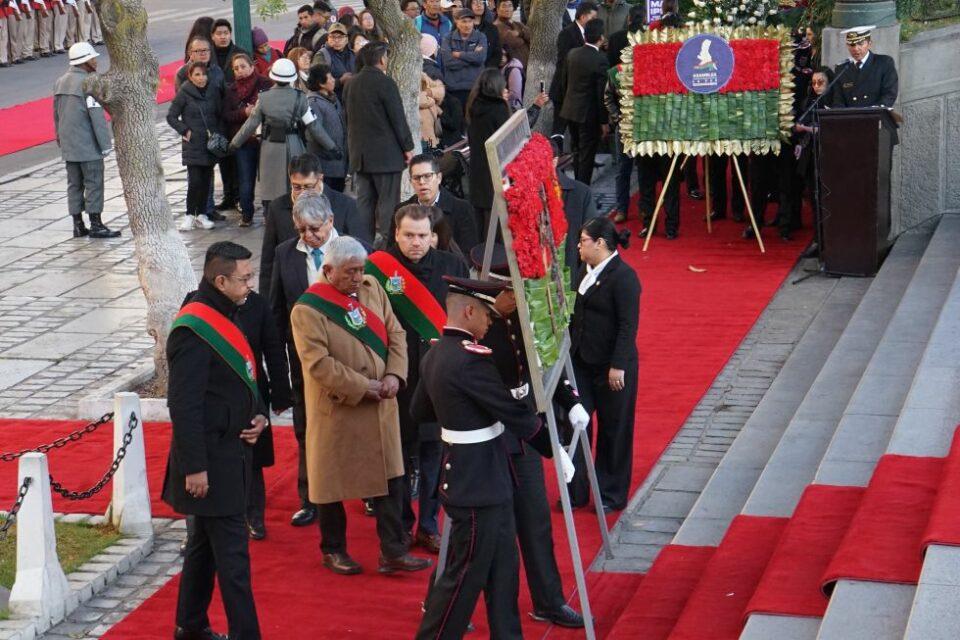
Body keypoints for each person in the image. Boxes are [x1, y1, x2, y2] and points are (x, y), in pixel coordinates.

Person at [411, 276, 573, 639]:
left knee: (503, 570)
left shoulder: (436, 352)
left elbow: (419, 409)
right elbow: (513, 413)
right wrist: (554, 449)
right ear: (468, 311)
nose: (489, 322)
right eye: (485, 314)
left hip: (483, 476)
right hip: (478, 480)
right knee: (462, 578)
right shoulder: (470, 361)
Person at [291, 236, 433, 576]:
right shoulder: (308, 309)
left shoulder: (372, 287)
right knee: (331, 484)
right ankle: (333, 549)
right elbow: (319, 365)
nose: (357, 277)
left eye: (360, 270)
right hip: (339, 409)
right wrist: (364, 386)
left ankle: (393, 550)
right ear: (328, 270)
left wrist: (396, 376)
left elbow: (396, 334)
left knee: (390, 480)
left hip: (382, 404)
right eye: (350, 272)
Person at [468, 244, 587, 628]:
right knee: (483, 533)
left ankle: (548, 598)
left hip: (524, 432)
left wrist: (569, 400)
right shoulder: (477, 327)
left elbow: (542, 365)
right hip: (489, 438)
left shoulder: (525, 319)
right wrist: (547, 443)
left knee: (535, 520)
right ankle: (454, 602)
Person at [163, 241, 267, 640]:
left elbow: (242, 376)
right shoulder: (194, 329)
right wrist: (195, 468)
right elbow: (183, 405)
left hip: (232, 452)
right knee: (234, 562)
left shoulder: (229, 311)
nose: (250, 285)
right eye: (244, 279)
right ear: (220, 280)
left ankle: (189, 626)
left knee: (203, 552)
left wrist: (258, 414)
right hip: (210, 463)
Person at [368, 204, 468, 552]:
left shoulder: (452, 266)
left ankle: (428, 524)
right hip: (396, 380)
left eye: (423, 236)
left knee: (433, 458)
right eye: (409, 235)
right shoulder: (378, 270)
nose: (416, 242)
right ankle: (399, 526)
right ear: (395, 234)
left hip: (437, 380)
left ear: (433, 235)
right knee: (396, 459)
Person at [269, 192, 340, 530]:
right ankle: (309, 497)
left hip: (349, 358)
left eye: (314, 229)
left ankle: (368, 492)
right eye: (301, 230)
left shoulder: (354, 251)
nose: (308, 237)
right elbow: (276, 312)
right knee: (306, 427)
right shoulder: (285, 254)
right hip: (303, 360)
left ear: (330, 221)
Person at [568, 217, 640, 512]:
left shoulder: (624, 277)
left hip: (612, 366)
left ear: (600, 243)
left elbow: (627, 325)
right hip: (582, 361)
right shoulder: (582, 272)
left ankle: (611, 494)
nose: (578, 245)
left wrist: (618, 365)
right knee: (576, 424)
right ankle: (577, 488)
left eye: (583, 240)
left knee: (614, 429)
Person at [229, 57, 335, 213]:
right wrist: (331, 146)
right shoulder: (300, 97)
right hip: (294, 145)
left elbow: (250, 124)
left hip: (269, 146)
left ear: (273, 76)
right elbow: (313, 125)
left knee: (270, 185)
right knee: (296, 182)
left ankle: (271, 215)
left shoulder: (263, 98)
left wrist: (234, 143)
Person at [260, 153, 362, 298]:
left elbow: (359, 252)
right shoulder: (277, 208)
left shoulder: (345, 205)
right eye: (296, 187)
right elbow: (268, 263)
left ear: (320, 179)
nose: (302, 193)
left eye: (308, 187)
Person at [343, 41, 415, 246]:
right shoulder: (385, 83)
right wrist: (408, 147)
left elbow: (346, 118)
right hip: (386, 156)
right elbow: (397, 118)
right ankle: (388, 246)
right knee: (388, 204)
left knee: (364, 203)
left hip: (360, 155)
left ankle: (363, 246)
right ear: (382, 59)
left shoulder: (351, 83)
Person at [466, 67, 547, 236]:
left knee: (481, 222)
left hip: (477, 172)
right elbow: (514, 134)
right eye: (503, 88)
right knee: (495, 227)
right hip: (495, 172)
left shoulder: (473, 106)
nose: (507, 92)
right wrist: (536, 107)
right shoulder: (498, 109)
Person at [53, 42, 120, 239]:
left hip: (69, 146)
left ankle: (78, 224)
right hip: (88, 145)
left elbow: (56, 115)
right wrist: (106, 145)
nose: (95, 61)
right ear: (84, 61)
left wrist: (60, 139)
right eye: (92, 58)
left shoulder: (60, 82)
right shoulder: (90, 83)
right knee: (93, 184)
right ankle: (96, 224)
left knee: (74, 184)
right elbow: (97, 118)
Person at [167, 61, 223, 232]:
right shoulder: (184, 92)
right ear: (190, 76)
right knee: (195, 181)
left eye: (203, 74)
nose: (201, 78)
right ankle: (190, 214)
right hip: (193, 144)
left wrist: (218, 133)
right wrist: (185, 131)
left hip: (210, 144)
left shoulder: (213, 91)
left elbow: (219, 114)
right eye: (197, 75)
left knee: (206, 180)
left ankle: (202, 215)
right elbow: (171, 116)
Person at [223, 52, 272, 226]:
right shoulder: (231, 90)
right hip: (243, 141)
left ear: (252, 66)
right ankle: (247, 214)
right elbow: (227, 115)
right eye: (236, 68)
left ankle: (269, 214)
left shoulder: (266, 84)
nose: (240, 71)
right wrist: (244, 112)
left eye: (243, 66)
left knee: (267, 178)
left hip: (266, 139)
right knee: (245, 179)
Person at [559, 17, 608, 185]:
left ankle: (577, 189)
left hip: (570, 110)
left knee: (576, 151)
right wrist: (604, 121)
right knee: (586, 155)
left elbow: (564, 83)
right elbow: (601, 94)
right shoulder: (600, 59)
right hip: (588, 115)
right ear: (601, 37)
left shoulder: (572, 54)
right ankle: (583, 192)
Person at [397, 154, 478, 253]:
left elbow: (468, 253)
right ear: (411, 181)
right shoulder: (401, 211)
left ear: (439, 178)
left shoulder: (462, 209)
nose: (422, 182)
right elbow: (394, 252)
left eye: (427, 176)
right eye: (416, 178)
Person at [550, 1, 598, 135]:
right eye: (592, 18)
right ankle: (556, 153)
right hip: (563, 89)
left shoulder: (589, 35)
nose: (594, 22)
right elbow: (564, 62)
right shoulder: (567, 33)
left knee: (576, 132)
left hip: (578, 92)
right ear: (583, 17)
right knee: (559, 128)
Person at [305, 64, 348, 193]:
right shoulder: (313, 102)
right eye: (330, 78)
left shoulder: (333, 98)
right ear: (321, 83)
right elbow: (315, 130)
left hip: (338, 160)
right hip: (325, 160)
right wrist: (332, 148)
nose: (334, 80)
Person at [832, 25, 899, 108]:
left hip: (876, 116)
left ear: (869, 44)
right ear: (847, 46)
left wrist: (874, 111)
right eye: (852, 45)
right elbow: (838, 100)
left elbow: (889, 94)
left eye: (860, 43)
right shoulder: (842, 69)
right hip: (850, 118)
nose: (856, 48)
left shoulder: (884, 63)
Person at [440, 8, 487, 112]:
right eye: (464, 21)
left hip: (475, 88)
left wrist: (460, 55)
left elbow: (481, 58)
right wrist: (472, 57)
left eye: (470, 21)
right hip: (454, 88)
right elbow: (448, 62)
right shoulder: (447, 38)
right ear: (457, 22)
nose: (467, 25)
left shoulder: (481, 37)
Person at [312, 22, 355, 95]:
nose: (336, 40)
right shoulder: (322, 55)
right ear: (328, 38)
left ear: (346, 39)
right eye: (333, 37)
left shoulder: (353, 54)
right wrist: (340, 81)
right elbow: (317, 82)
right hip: (333, 100)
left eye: (340, 37)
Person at [493, 0, 529, 68]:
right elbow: (515, 41)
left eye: (510, 6)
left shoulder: (517, 24)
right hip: (514, 70)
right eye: (504, 6)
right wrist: (524, 37)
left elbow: (532, 36)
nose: (507, 9)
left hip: (529, 67)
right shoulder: (495, 27)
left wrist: (520, 33)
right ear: (497, 10)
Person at [211, 18, 244, 84]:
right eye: (219, 34)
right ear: (212, 36)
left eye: (226, 33)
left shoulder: (242, 54)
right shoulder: (207, 55)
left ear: (230, 34)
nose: (223, 37)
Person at [500, 41, 525, 111]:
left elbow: (515, 93)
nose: (502, 58)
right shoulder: (501, 68)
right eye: (500, 54)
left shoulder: (514, 70)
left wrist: (499, 98)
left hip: (512, 108)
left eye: (505, 55)